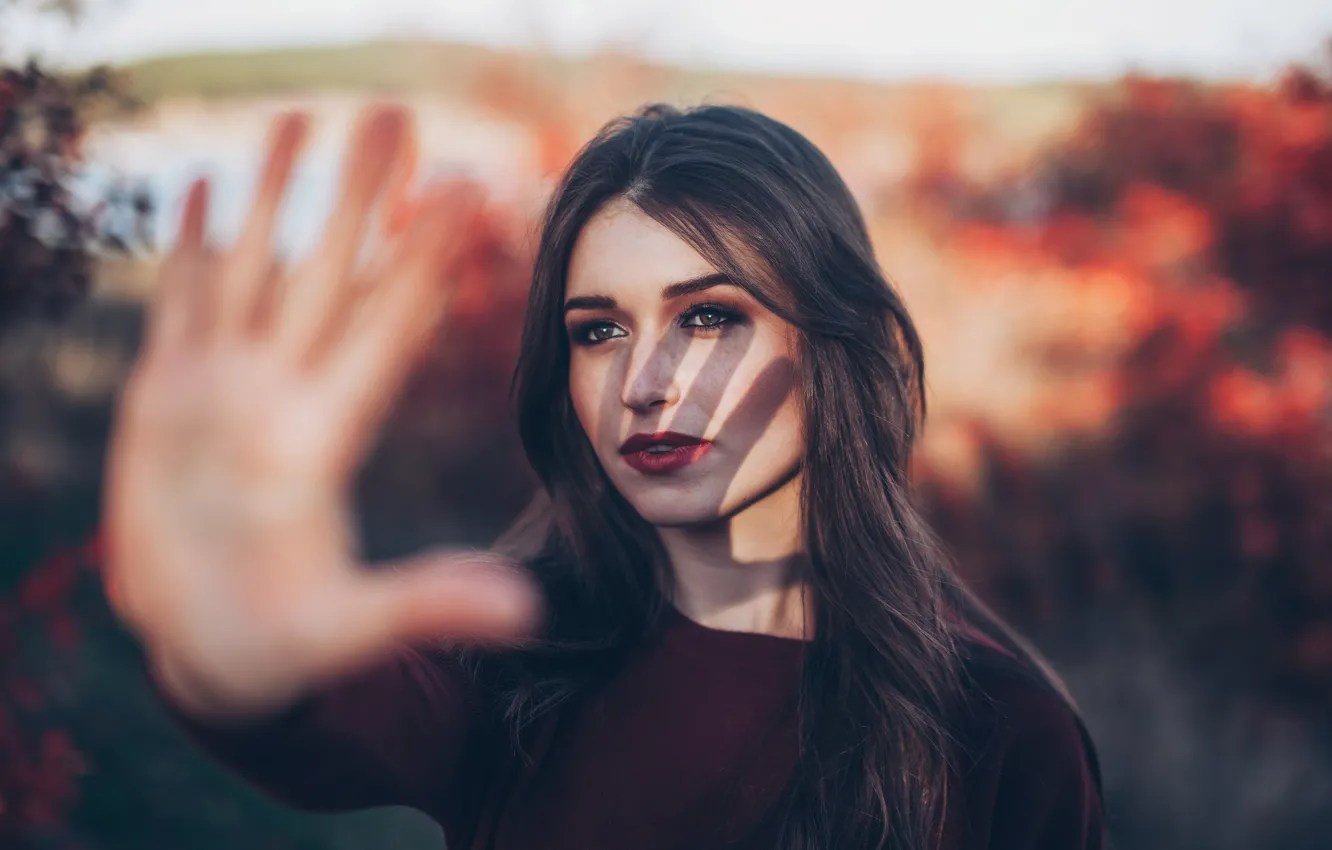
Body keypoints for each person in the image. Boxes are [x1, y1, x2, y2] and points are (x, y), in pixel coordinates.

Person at [103, 101, 1106, 850]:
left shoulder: (998, 726)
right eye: (599, 330)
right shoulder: (514, 654)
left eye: (710, 314)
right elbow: (309, 708)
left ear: (834, 340)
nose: (644, 380)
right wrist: (219, 653)